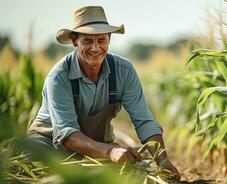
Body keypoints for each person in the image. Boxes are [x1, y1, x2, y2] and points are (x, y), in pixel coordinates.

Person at [26, 6, 178, 174]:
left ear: (109, 39)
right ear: (75, 41)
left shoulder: (124, 71)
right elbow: (66, 135)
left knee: (133, 173)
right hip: (51, 144)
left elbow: (144, 121)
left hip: (96, 146)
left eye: (101, 40)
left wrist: (162, 161)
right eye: (87, 41)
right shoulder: (58, 77)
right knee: (36, 164)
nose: (95, 48)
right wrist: (109, 151)